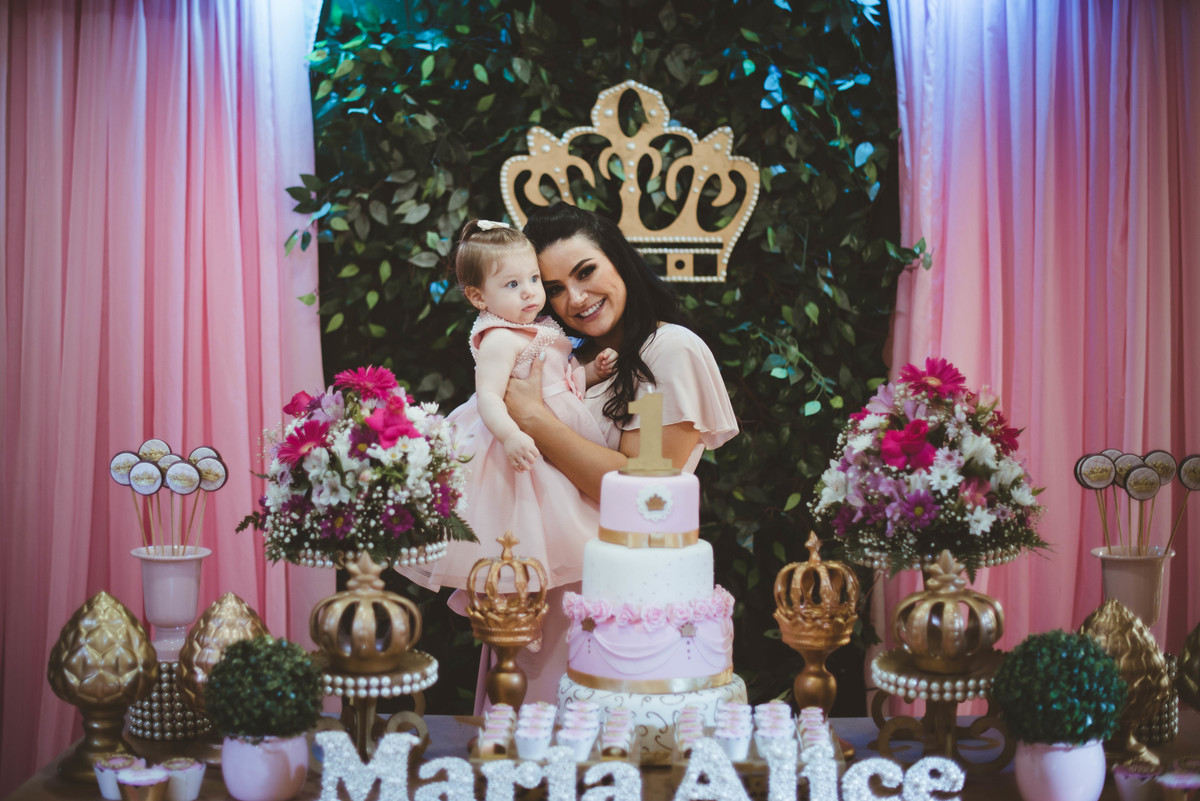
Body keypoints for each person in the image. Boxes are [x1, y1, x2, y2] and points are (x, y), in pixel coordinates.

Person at [488, 202, 739, 706]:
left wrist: (532, 417)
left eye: (585, 272)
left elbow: (640, 488)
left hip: (614, 606)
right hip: (540, 585)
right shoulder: (569, 360)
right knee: (524, 741)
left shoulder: (670, 349)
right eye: (555, 288)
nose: (576, 299)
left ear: (618, 259)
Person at [402, 219, 616, 605]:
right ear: (478, 297)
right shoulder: (499, 339)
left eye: (533, 279)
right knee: (522, 528)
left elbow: (557, 382)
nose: (530, 292)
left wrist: (590, 373)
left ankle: (531, 610)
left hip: (550, 435)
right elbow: (488, 397)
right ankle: (514, 610)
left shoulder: (536, 328)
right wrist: (511, 435)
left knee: (559, 521)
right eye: (512, 285)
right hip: (519, 444)